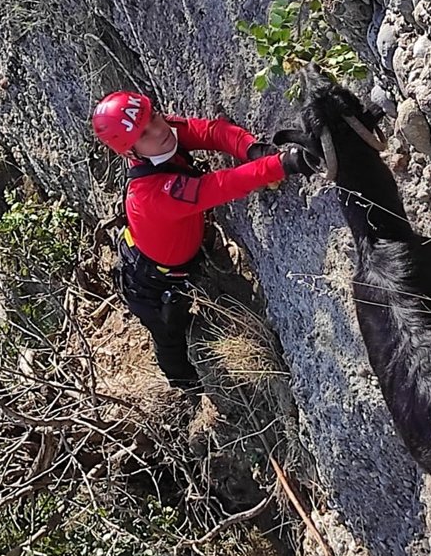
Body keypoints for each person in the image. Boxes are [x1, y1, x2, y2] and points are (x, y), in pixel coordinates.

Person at [91, 90, 321, 391]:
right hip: (150, 284)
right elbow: (219, 187)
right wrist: (284, 164)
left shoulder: (162, 139)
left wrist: (250, 148)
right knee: (170, 335)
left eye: (154, 117)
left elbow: (211, 132)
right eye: (144, 132)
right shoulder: (152, 195)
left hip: (172, 257)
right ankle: (184, 386)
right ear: (131, 151)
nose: (159, 129)